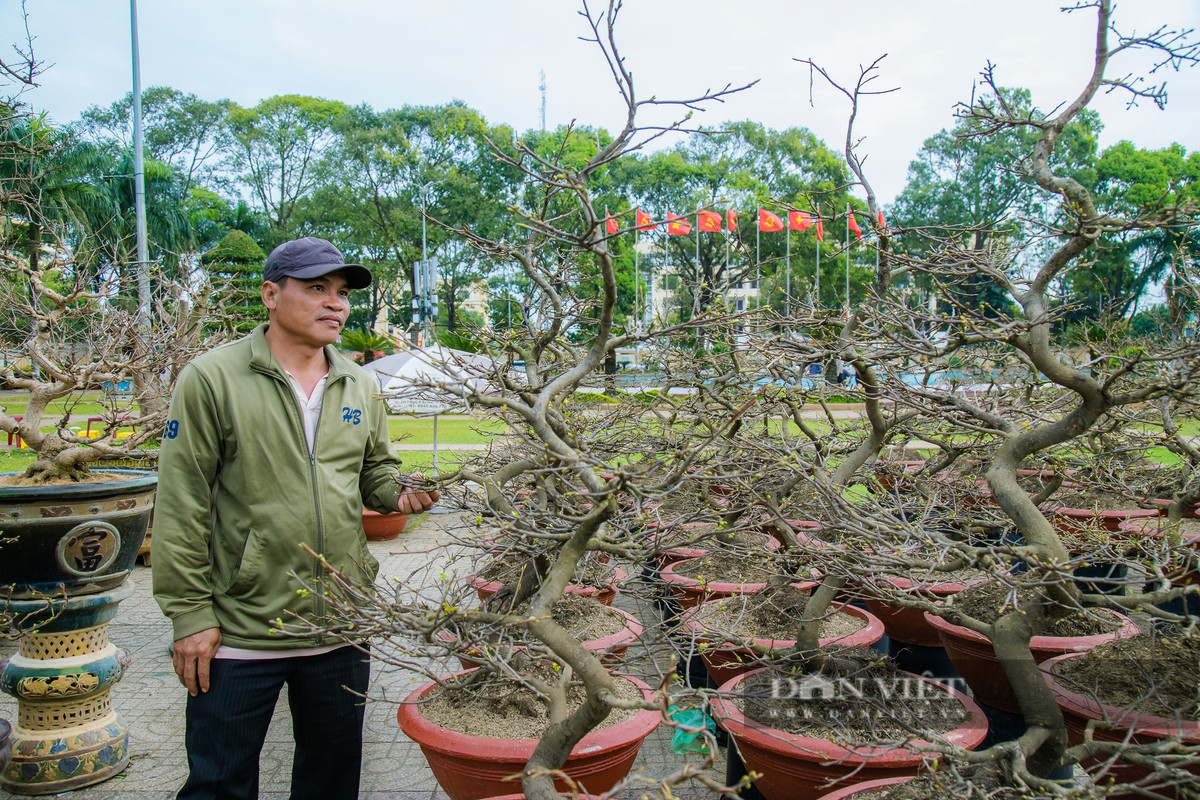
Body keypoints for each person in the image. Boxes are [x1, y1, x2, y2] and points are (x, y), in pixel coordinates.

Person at [151, 236, 438, 800]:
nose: (337, 304)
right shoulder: (212, 378)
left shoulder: (359, 382)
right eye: (316, 289)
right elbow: (182, 501)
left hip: (342, 623)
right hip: (240, 628)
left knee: (331, 780)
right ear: (270, 294)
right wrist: (189, 614)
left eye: (342, 293)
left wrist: (400, 492)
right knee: (219, 782)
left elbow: (374, 473)